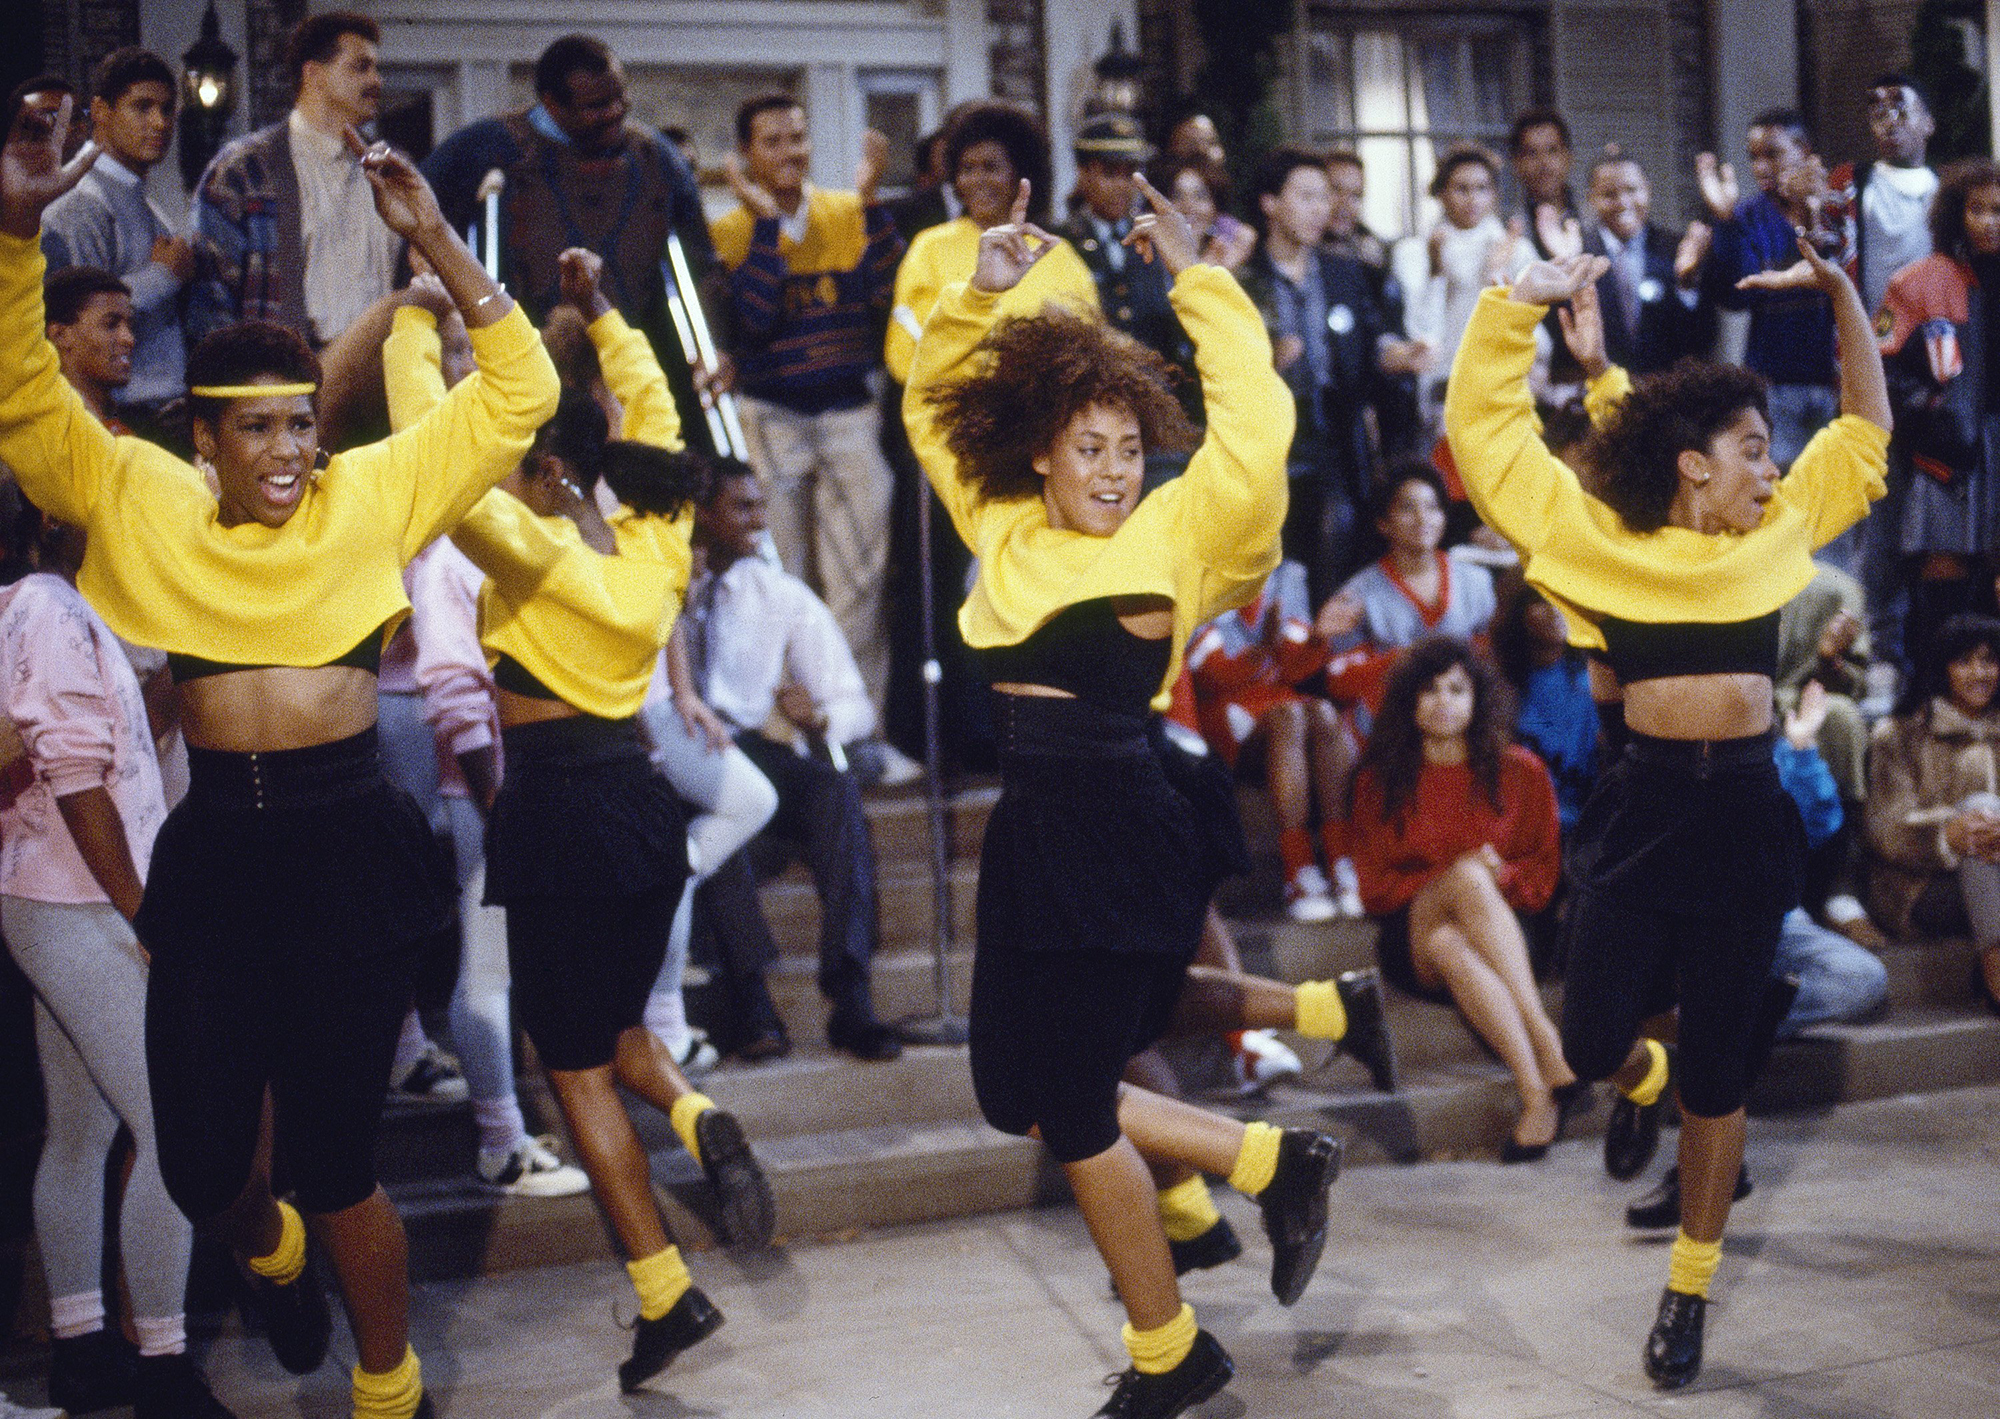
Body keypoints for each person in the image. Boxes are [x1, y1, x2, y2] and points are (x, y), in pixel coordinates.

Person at [0, 98, 559, 1419]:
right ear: (204, 439)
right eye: (260, 429)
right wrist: (17, 233)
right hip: (220, 851)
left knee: (335, 1151)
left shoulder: (369, 492)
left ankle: (389, 1381)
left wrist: (434, 240)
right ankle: (275, 1252)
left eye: (305, 424)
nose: (292, 453)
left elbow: (520, 394)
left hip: (350, 840)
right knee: (200, 1163)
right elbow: (25, 401)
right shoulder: (141, 494)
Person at [908, 176, 1342, 1419]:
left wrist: (1197, 274)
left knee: (1077, 1098)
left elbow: (1252, 431)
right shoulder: (1000, 526)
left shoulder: (1177, 529)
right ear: (1039, 454)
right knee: (1023, 1095)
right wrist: (980, 295)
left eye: (1124, 450)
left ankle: (1173, 1344)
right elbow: (932, 413)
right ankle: (1262, 1166)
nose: (1108, 470)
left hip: (1120, 815)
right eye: (1085, 450)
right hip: (1035, 828)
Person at [1448, 214, 1889, 1387]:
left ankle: (1687, 1289)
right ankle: (1650, 1087)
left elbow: (1864, 427)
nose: (1770, 465)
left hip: (1745, 819)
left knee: (1717, 1076)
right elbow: (1483, 437)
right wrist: (1515, 305)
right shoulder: (1596, 539)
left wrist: (1840, 291)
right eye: (1750, 447)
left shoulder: (1779, 529)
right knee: (1592, 1044)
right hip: (1642, 817)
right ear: (1692, 464)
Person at [386, 247, 771, 1391]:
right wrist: (606, 314)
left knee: (578, 1072)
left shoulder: (535, 547)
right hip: (644, 819)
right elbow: (654, 417)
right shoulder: (654, 547)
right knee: (612, 1029)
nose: (501, 473)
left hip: (548, 815)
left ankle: (663, 1291)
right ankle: (698, 1120)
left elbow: (429, 456)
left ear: (550, 473)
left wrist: (418, 320)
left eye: (520, 467)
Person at [0, 507, 231, 1418]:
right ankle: (165, 1370)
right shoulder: (51, 608)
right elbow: (79, 776)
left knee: (82, 1131)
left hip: (46, 886)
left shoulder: (44, 604)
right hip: (76, 893)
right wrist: (147, 913)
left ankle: (84, 1348)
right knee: (167, 1124)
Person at [681, 458, 904, 1061]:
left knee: (834, 789)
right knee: (715, 799)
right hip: (688, 755)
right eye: (742, 507)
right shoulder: (667, 584)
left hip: (763, 751)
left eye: (760, 503)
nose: (759, 519)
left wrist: (820, 719)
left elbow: (854, 704)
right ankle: (751, 1000)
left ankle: (852, 995)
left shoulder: (778, 594)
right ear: (702, 513)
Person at [713, 93, 905, 728]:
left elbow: (891, 292)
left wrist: (872, 198)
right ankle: (785, 735)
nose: (790, 152)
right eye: (772, 142)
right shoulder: (732, 231)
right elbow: (755, 320)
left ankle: (853, 724)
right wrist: (767, 224)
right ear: (747, 154)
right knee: (779, 578)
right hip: (770, 415)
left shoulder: (850, 211)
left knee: (860, 575)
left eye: (796, 138)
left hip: (849, 411)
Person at [1347, 638, 1572, 1159]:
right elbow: (1374, 888)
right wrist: (1450, 879)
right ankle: (1545, 1036)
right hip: (1410, 939)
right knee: (1464, 882)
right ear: (1408, 702)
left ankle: (1536, 1094)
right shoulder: (1379, 782)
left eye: (1456, 689)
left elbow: (1541, 876)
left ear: (1478, 700)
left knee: (1453, 940)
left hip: (1503, 939)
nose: (1442, 701)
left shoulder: (1522, 771)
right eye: (1428, 690)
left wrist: (1504, 875)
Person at [1244, 147, 1429, 604]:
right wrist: (1264, 365)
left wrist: (1395, 354)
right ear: (1270, 203)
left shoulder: (1346, 273)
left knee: (1341, 534)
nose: (1321, 210)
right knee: (1274, 556)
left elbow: (1372, 343)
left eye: (1324, 198)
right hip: (1270, 438)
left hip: (1336, 430)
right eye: (1306, 197)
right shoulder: (1244, 280)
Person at [188, 11, 398, 347]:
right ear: (313, 74)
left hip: (381, 380)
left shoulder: (389, 172)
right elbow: (210, 300)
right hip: (283, 380)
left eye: (376, 68)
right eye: (361, 67)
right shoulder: (245, 169)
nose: (377, 80)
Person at [1874, 159, 2000, 675]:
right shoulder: (1916, 283)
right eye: (1978, 210)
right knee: (1940, 574)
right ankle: (1924, 695)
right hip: (1944, 452)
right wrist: (1929, 415)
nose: (1990, 221)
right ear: (1955, 214)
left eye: (1999, 210)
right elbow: (1877, 370)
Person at [885, 101, 1098, 386]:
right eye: (967, 168)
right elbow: (905, 355)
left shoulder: (1055, 251)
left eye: (991, 167)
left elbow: (1092, 346)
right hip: (957, 416)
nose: (976, 180)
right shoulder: (930, 247)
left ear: (1020, 174)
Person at [1184, 559, 1352, 920]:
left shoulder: (1289, 574)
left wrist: (1319, 636)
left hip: (1274, 699)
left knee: (1322, 712)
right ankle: (1298, 872)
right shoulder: (1197, 575)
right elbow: (1211, 676)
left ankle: (1340, 862)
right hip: (1223, 709)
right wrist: (1264, 650)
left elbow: (1292, 671)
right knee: (1289, 716)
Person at [39, 47, 187, 422]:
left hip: (160, 412)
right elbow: (77, 320)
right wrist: (163, 277)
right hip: (116, 416)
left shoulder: (144, 200)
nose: (159, 122)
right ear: (102, 111)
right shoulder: (80, 201)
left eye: (167, 109)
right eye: (142, 107)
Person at [1867, 614, 2000, 1015]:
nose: (1980, 673)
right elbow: (1886, 832)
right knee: (1981, 814)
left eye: (1991, 661)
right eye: (1965, 662)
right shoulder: (1900, 733)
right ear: (1941, 667)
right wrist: (1951, 835)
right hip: (1921, 886)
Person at [1697, 110, 1841, 472]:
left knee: (1839, 496)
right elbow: (1736, 298)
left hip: (1838, 378)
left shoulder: (1836, 209)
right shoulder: (1747, 216)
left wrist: (1814, 212)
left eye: (1772, 154)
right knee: (1778, 495)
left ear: (1803, 149)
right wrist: (1725, 223)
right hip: (1775, 383)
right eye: (1754, 157)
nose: (1760, 166)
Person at [1393, 144, 1530, 436]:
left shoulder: (1515, 249)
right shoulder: (1414, 250)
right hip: (1443, 393)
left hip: (1502, 389)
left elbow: (1531, 330)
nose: (1472, 199)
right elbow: (1419, 331)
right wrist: (1435, 271)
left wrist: (1495, 275)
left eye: (1482, 188)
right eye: (1461, 189)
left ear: (1494, 194)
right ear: (1442, 193)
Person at [1582, 150, 1713, 376]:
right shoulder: (1579, 253)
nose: (1623, 202)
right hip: (1600, 389)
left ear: (1648, 190)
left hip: (1667, 392)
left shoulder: (1679, 249)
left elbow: (1704, 338)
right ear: (1591, 197)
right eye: (1609, 194)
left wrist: (1686, 283)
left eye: (1632, 190)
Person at [1492, 583, 1599, 834]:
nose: (1555, 611)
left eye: (1564, 600)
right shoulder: (1495, 684)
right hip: (1513, 824)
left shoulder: (1594, 683)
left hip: (1581, 827)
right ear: (1518, 612)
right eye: (1542, 601)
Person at [42, 265, 134, 428]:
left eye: (130, 325)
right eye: (111, 325)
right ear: (60, 335)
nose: (129, 339)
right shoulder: (51, 426)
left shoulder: (118, 419)